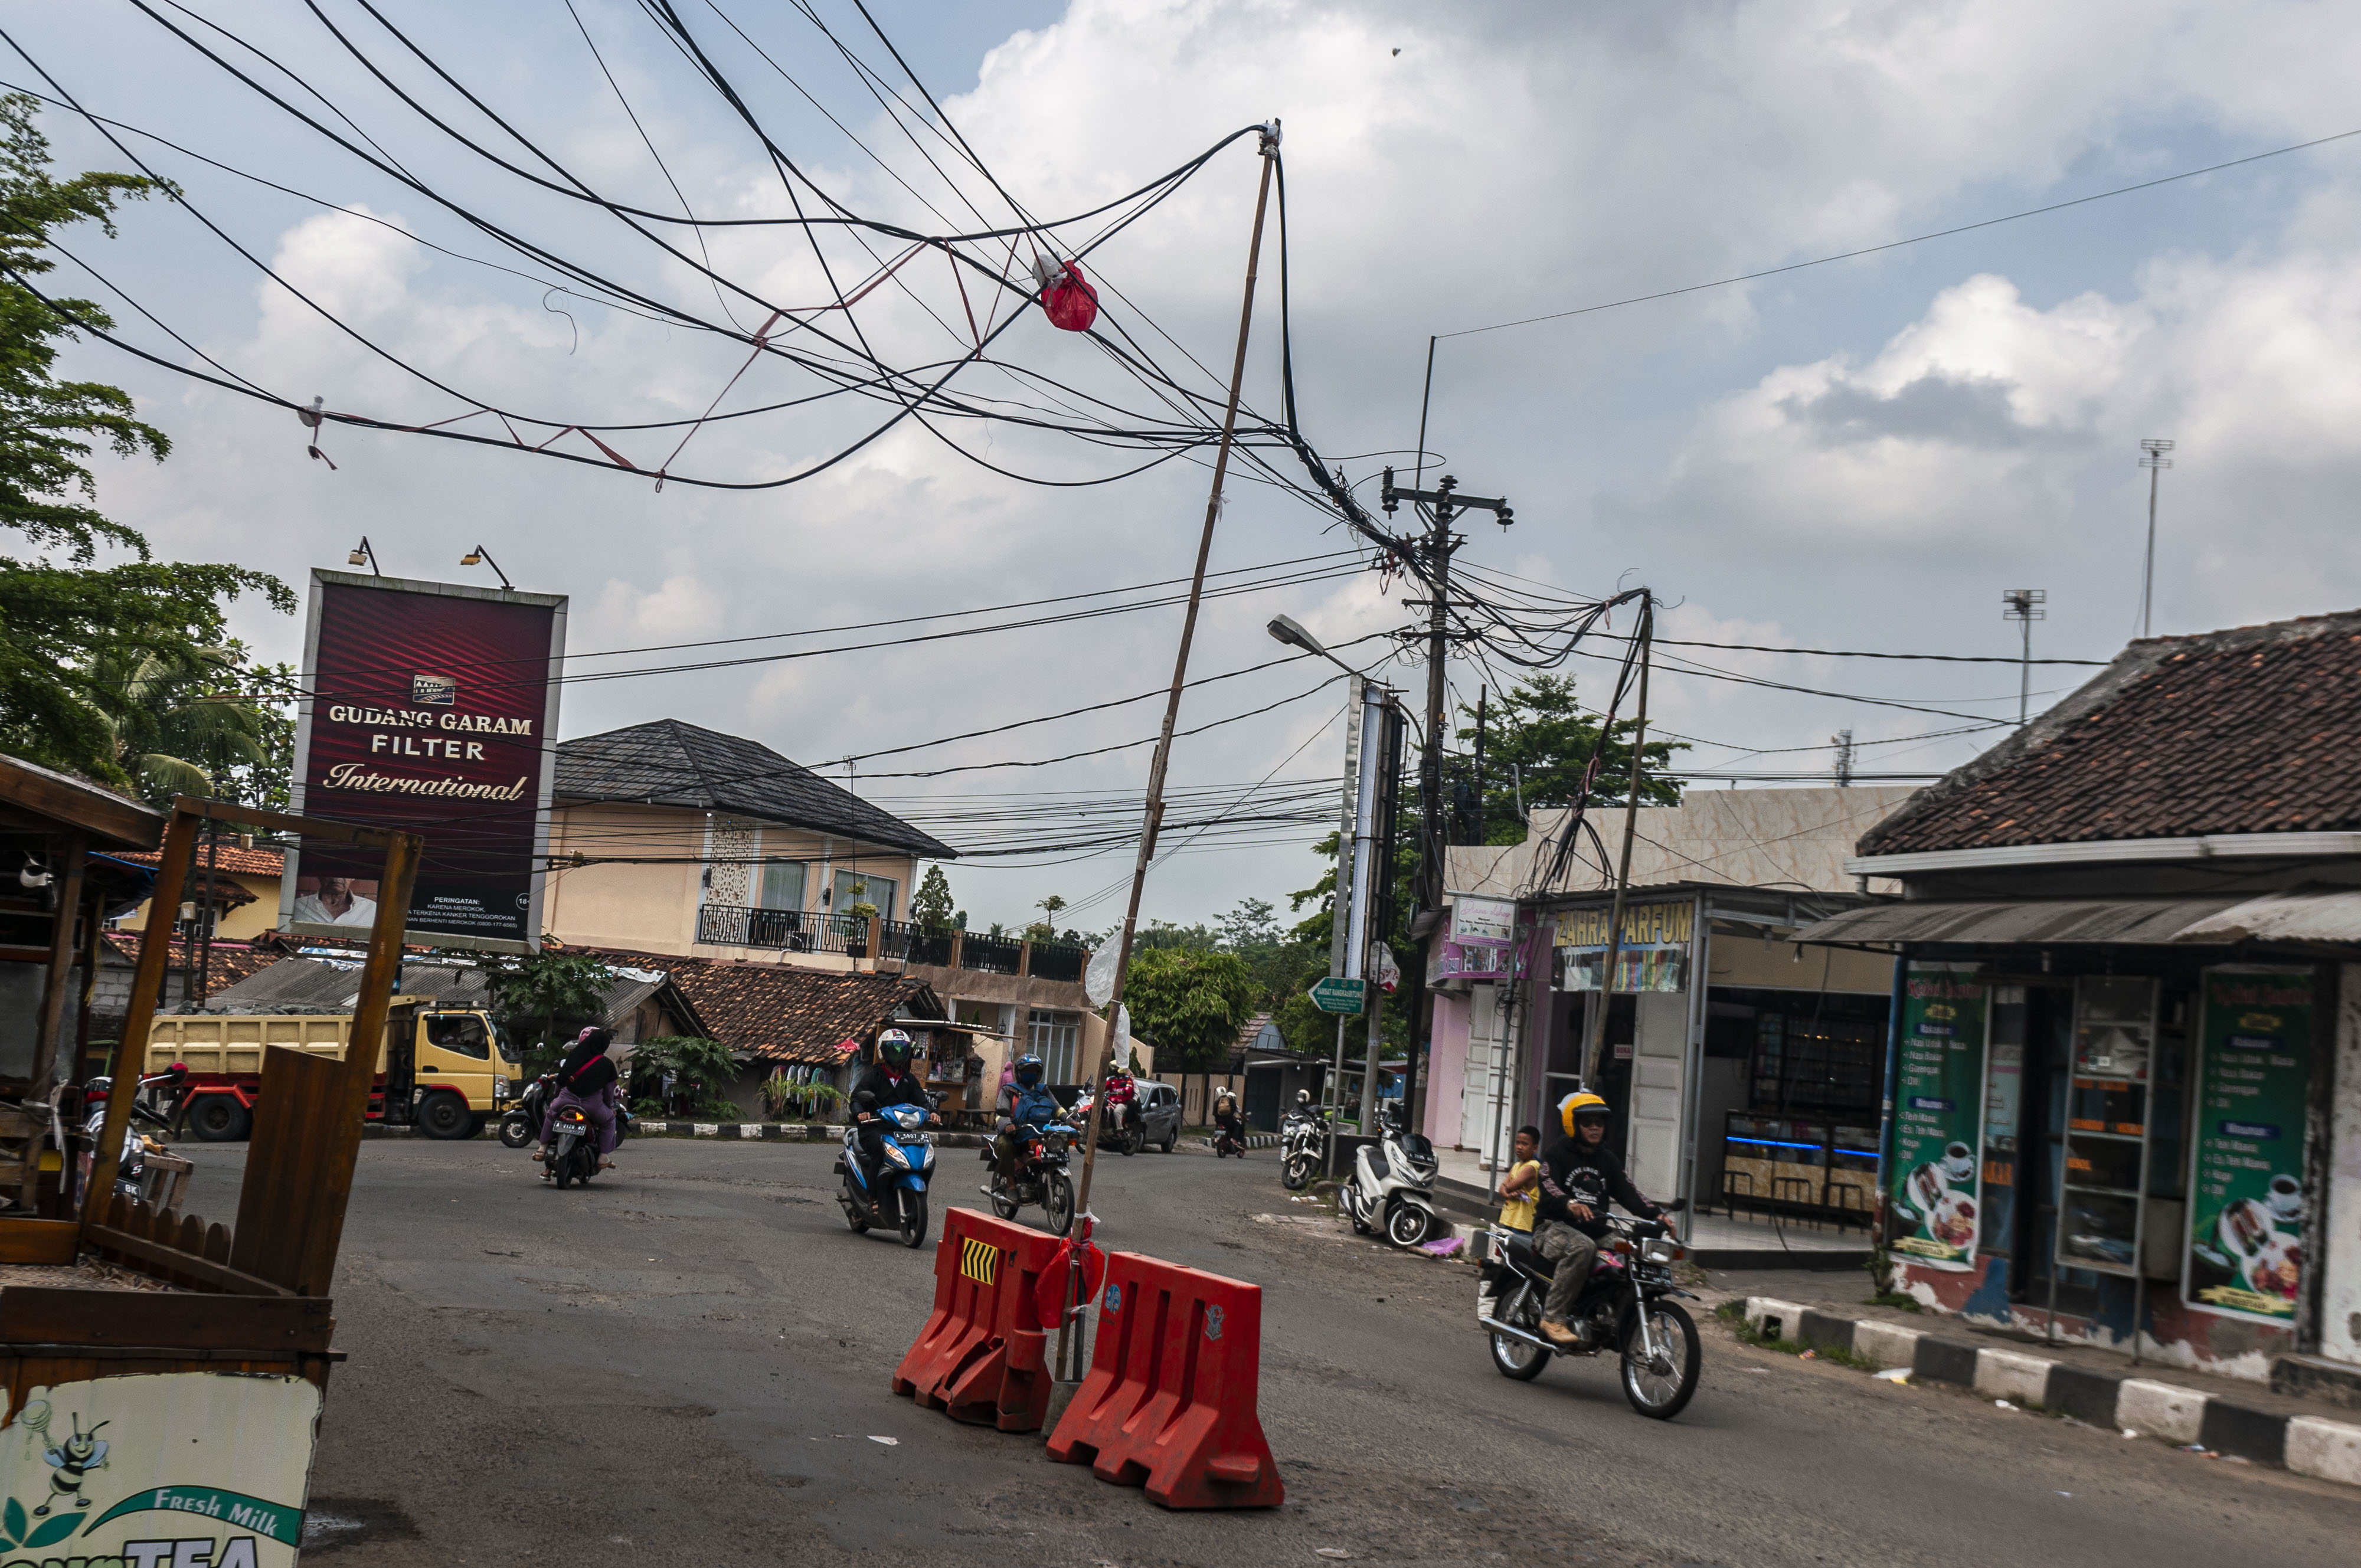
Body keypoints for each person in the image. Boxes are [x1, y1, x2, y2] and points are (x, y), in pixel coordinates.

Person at [1533, 1092, 1670, 1347]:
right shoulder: (1557, 1154)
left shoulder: (1607, 1159)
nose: (1595, 1127)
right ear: (1573, 1124)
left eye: (1599, 1122)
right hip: (1553, 1227)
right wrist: (1570, 1204)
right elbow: (1549, 1185)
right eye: (1587, 1122)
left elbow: (1629, 1193)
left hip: (1595, 1229)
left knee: (1631, 1250)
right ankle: (1553, 1318)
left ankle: (1613, 1316)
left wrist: (1657, 1214)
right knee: (1583, 1247)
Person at [1477, 1125, 1546, 1322]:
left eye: (1525, 1144)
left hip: (1524, 1230)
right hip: (1507, 1225)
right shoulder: (1517, 1166)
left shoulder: (1532, 1168)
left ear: (1535, 1147)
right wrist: (1508, 1193)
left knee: (1522, 1274)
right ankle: (1487, 1311)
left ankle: (1524, 1313)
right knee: (1495, 1268)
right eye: (1517, 1142)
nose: (1519, 1147)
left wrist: (1508, 1191)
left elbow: (1509, 1185)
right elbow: (1503, 1188)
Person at [535, 1027, 625, 1177]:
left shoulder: (574, 1056)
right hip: (593, 1106)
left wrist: (557, 1097)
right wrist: (610, 1107)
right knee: (609, 1120)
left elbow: (561, 1081)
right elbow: (609, 1093)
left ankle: (542, 1148)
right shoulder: (607, 1064)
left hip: (566, 1100)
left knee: (551, 1114)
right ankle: (603, 1156)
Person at [851, 1029, 934, 1189]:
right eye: (893, 1049)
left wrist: (932, 1113)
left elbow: (922, 1100)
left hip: (901, 1131)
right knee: (880, 1152)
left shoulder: (908, 1079)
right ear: (883, 1051)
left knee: (922, 1155)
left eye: (902, 1050)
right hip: (873, 1129)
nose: (898, 1054)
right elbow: (856, 1098)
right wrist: (860, 1113)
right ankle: (873, 1197)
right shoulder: (873, 1077)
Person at [993, 1054, 1062, 1183]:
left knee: (1059, 1147)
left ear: (1039, 1073)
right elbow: (1001, 1112)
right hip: (1015, 1134)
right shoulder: (1009, 1090)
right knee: (1005, 1146)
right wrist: (1008, 1125)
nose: (1031, 1073)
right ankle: (1011, 1185)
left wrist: (1071, 1121)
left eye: (1034, 1071)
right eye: (1027, 1071)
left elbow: (1057, 1108)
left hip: (1040, 1134)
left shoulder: (1043, 1090)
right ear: (1019, 1073)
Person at [291, 875, 377, 927]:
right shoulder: (296, 906)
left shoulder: (372, 909)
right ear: (319, 876)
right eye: (330, 872)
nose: (336, 878)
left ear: (353, 877)